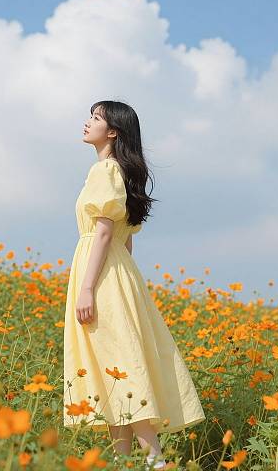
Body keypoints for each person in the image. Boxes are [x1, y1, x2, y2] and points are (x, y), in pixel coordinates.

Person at [63, 100, 206, 470]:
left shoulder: (104, 171)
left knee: (120, 369)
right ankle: (126, 463)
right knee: (118, 369)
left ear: (112, 132)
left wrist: (87, 287)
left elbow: (106, 232)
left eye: (96, 118)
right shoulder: (120, 173)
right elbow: (127, 242)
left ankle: (156, 462)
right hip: (120, 274)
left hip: (101, 274)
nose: (87, 122)